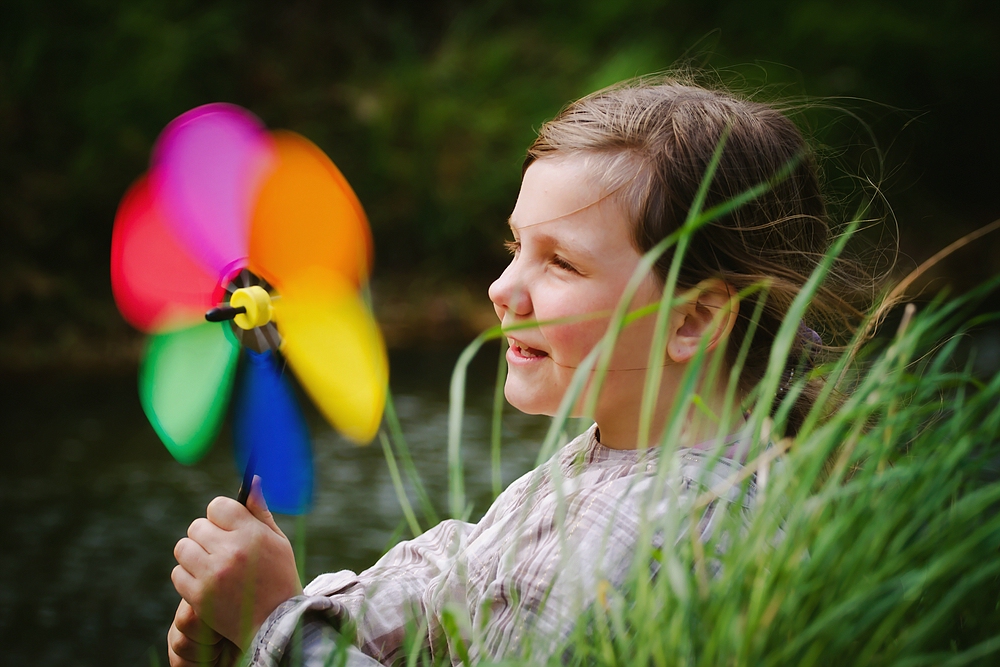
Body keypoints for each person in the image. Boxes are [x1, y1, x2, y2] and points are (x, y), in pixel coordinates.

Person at [167, 76, 871, 666]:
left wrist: (276, 625)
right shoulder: (624, 463)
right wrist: (269, 615)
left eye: (560, 261)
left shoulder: (637, 538)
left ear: (692, 320)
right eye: (516, 247)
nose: (504, 288)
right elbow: (452, 582)